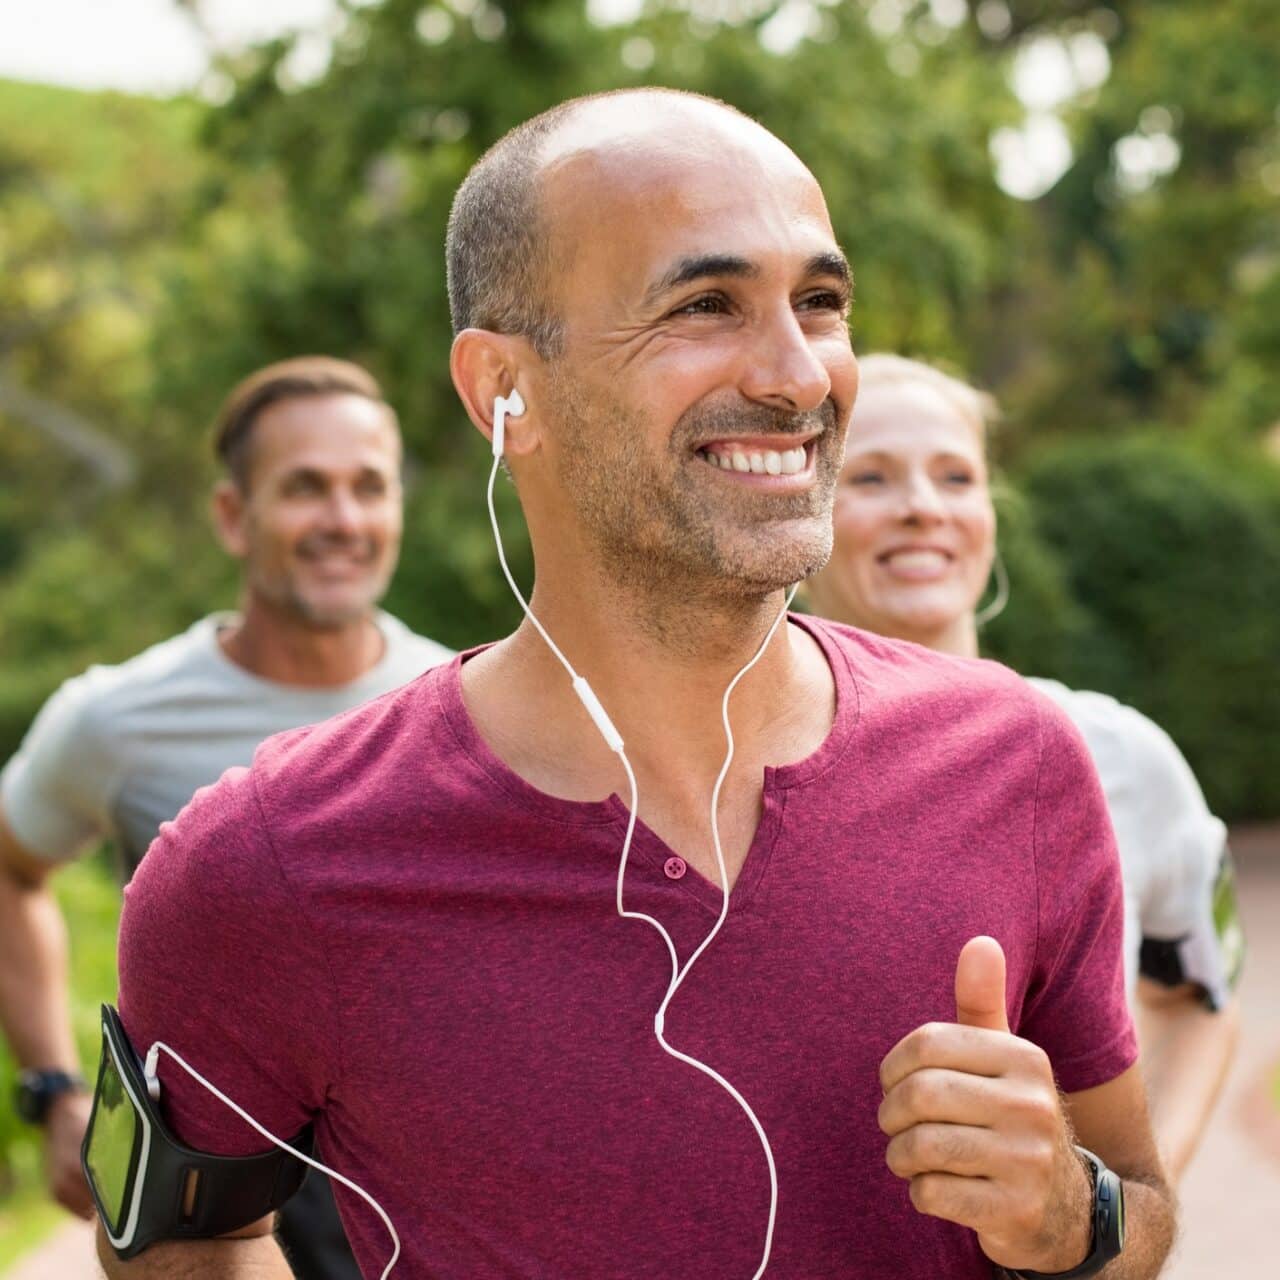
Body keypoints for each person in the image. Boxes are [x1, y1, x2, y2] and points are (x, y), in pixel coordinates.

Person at [104, 91, 1175, 1279]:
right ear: (500, 391)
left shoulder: (1017, 761)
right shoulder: (265, 861)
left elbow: (1147, 1215)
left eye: (818, 303)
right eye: (703, 305)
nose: (794, 375)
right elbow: (176, 1247)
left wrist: (1072, 1217)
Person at [0, 356, 452, 1280]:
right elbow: (10, 869)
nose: (344, 520)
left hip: (421, 1222)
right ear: (232, 518)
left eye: (369, 487)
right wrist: (53, 1089)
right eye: (305, 489)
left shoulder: (461, 706)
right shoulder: (119, 720)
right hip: (209, 1225)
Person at [805, 352, 1244, 1181]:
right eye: (870, 479)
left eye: (956, 477)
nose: (923, 509)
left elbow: (1202, 1002)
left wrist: (1115, 1221)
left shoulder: (1120, 755)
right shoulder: (730, 770)